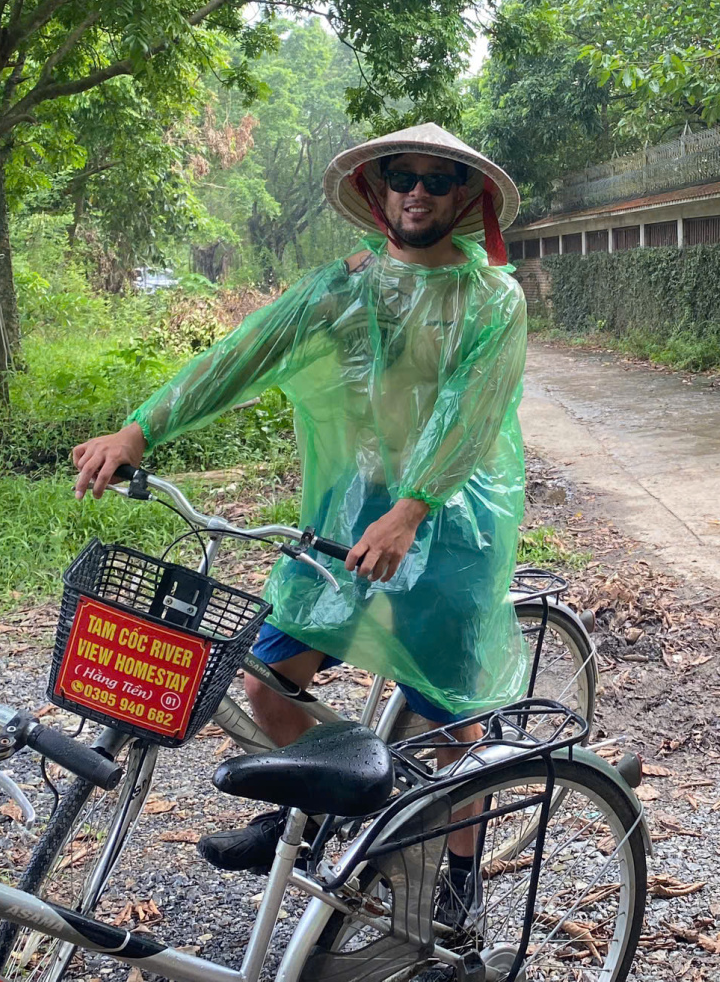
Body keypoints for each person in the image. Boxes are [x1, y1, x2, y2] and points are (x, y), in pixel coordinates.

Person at [71, 123, 529, 894]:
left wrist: (411, 512)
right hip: (346, 518)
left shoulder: (493, 300)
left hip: (450, 529)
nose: (418, 191)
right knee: (266, 681)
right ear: (378, 188)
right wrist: (139, 430)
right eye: (401, 174)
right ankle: (330, 810)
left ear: (468, 196)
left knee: (450, 718)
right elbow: (243, 352)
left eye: (439, 180)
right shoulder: (341, 286)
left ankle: (459, 879)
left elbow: (470, 416)